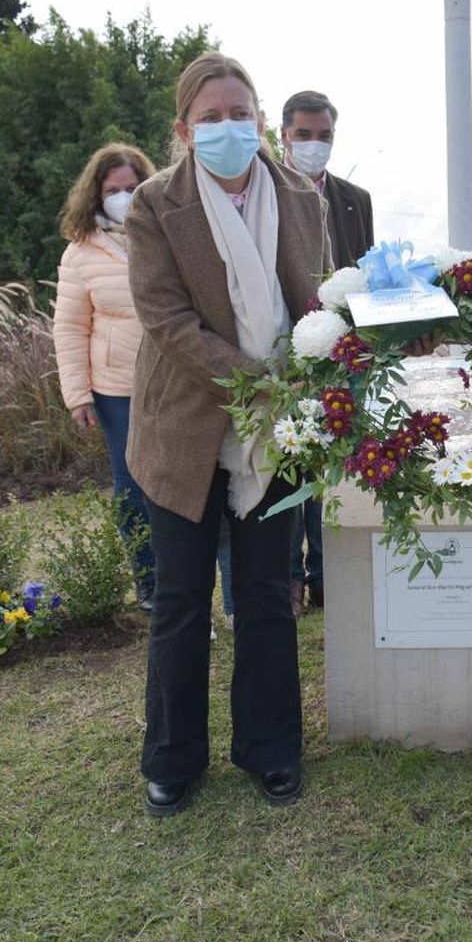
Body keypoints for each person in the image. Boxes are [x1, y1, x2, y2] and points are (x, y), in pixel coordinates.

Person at [126, 53, 330, 817]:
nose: (226, 128)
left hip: (273, 431)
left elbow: (320, 301)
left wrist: (334, 356)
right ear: (184, 130)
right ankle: (174, 759)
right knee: (181, 599)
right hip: (186, 426)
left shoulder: (299, 197)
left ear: (259, 118)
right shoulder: (154, 205)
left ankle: (271, 750)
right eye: (209, 118)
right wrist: (257, 382)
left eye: (238, 113)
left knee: (268, 595)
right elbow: (166, 320)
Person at [279, 89, 374, 616]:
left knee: (333, 466)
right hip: (286, 353)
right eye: (304, 135)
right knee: (291, 463)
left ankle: (325, 576)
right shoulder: (266, 191)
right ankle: (289, 577)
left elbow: (368, 275)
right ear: (284, 136)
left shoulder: (356, 198)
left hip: (345, 354)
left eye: (325, 136)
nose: (315, 145)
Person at [54, 142, 159, 611]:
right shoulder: (81, 252)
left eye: (132, 187)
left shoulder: (163, 232)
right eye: (114, 189)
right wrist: (78, 394)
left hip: (171, 381)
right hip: (116, 388)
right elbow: (71, 326)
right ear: (96, 194)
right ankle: (149, 584)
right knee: (132, 487)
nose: (123, 196)